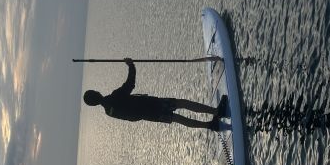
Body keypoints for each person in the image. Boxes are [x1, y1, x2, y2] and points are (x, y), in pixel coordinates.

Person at [82, 58, 226, 130]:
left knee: (176, 118)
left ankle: (209, 125)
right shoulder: (113, 97)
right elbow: (130, 84)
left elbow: (131, 118)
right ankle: (216, 111)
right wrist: (131, 65)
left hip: (149, 115)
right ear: (96, 92)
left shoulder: (109, 112)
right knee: (180, 103)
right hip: (150, 104)